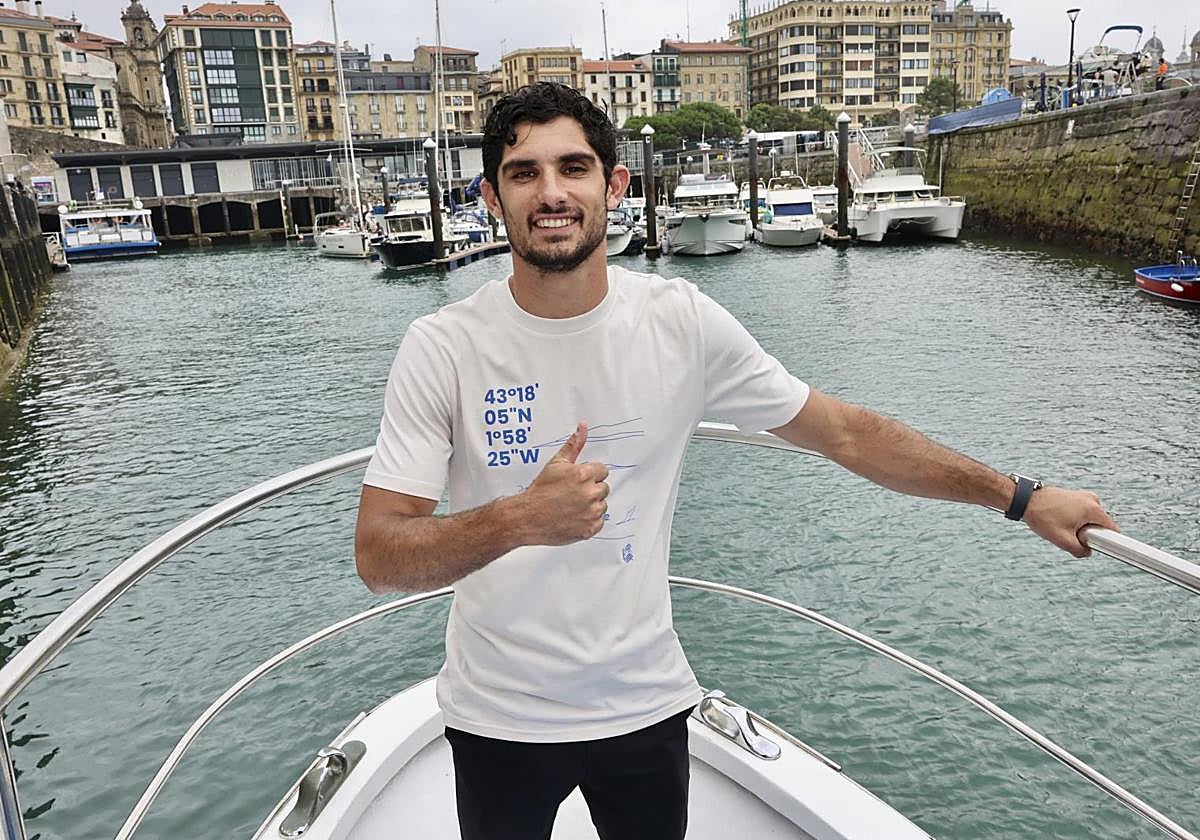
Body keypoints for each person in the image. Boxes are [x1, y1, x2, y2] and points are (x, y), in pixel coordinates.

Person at [354, 82, 1117, 840]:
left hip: (645, 704)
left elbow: (846, 433)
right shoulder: (444, 347)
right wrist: (519, 520)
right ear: (492, 197)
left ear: (615, 184)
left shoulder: (679, 322)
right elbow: (381, 556)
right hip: (498, 716)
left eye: (573, 168)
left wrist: (1018, 496)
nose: (551, 192)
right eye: (525, 174)